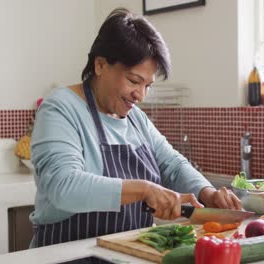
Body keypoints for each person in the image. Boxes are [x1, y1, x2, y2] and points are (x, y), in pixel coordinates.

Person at [29, 8, 241, 248]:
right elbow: (63, 186)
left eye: (148, 85)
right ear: (100, 64)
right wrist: (143, 189)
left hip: (128, 254)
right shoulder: (60, 107)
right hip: (66, 256)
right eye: (133, 81)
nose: (140, 95)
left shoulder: (135, 119)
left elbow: (172, 164)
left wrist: (207, 193)